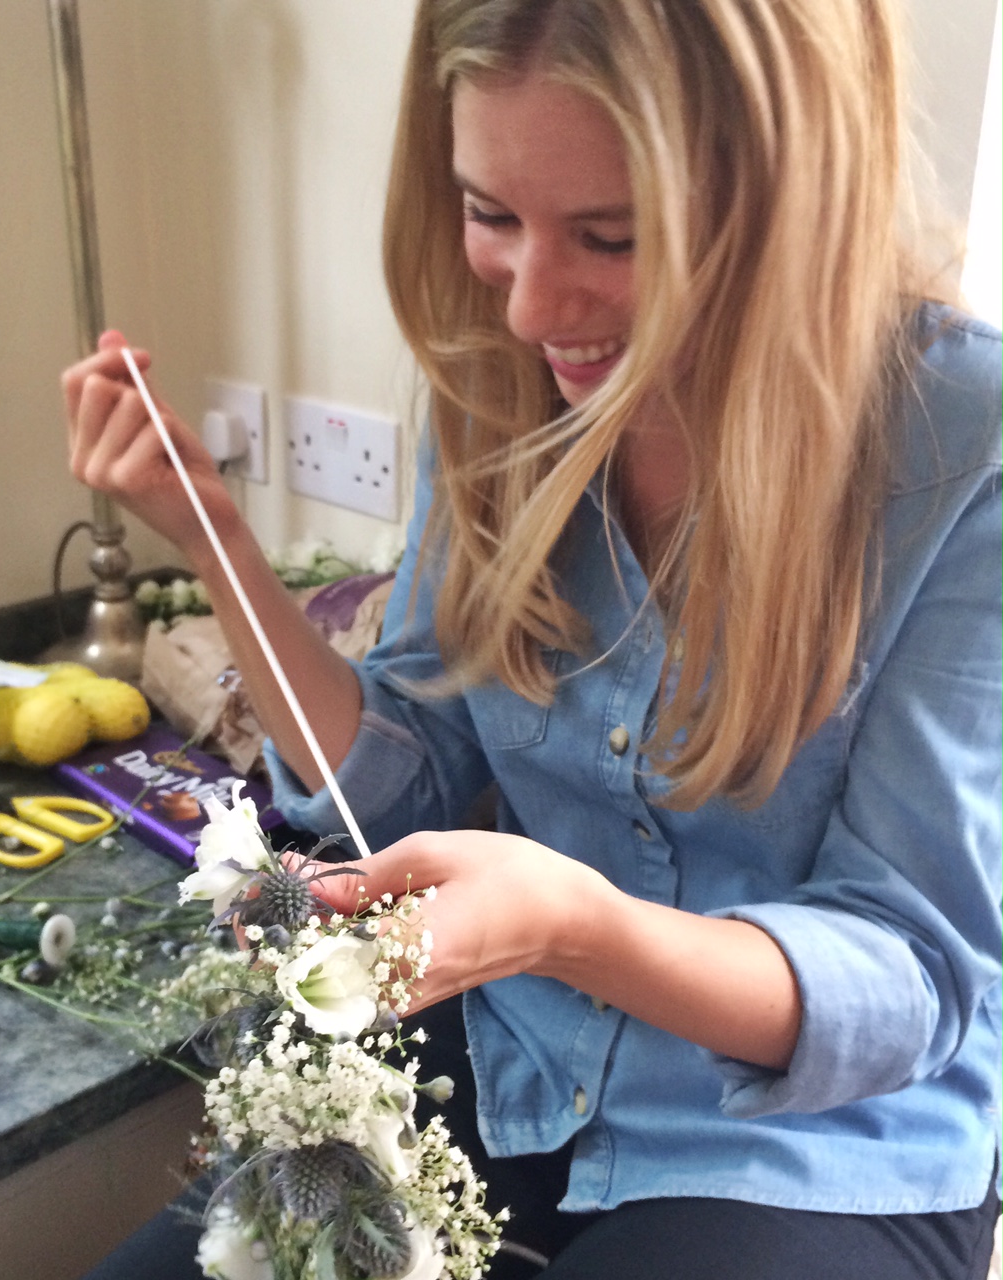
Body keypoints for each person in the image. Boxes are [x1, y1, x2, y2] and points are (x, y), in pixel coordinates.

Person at [64, 1, 1003, 1276]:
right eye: (489, 215)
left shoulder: (963, 452)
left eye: (609, 237)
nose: (526, 308)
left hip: (818, 1139)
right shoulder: (506, 389)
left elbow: (910, 971)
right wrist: (210, 535)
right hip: (514, 1059)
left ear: (787, 201)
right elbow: (398, 782)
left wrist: (580, 927)